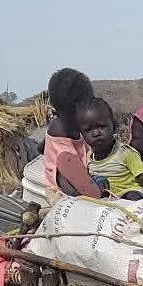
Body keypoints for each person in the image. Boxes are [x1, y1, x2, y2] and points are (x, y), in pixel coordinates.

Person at [78, 98, 143, 199]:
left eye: (102, 126)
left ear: (114, 126)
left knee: (130, 195)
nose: (96, 133)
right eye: (88, 130)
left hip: (133, 199)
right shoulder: (88, 159)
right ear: (82, 134)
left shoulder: (125, 153)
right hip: (111, 204)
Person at [42, 68, 104, 200]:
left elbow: (41, 146)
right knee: (66, 169)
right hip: (64, 184)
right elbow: (66, 170)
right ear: (78, 106)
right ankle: (84, 194)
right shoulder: (62, 135)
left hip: (78, 173)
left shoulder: (67, 123)